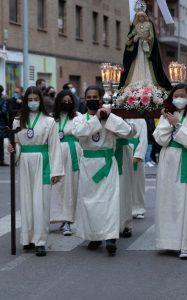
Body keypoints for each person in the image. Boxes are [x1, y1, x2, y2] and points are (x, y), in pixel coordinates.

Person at [72, 85, 135, 256]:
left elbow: (129, 132)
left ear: (100, 99)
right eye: (88, 96)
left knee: (109, 202)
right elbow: (79, 132)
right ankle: (94, 236)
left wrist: (109, 118)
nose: (92, 99)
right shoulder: (79, 119)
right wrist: (96, 119)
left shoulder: (110, 118)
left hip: (107, 165)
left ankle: (110, 238)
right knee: (90, 202)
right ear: (85, 100)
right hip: (88, 164)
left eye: (95, 96)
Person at [8, 87, 64, 257]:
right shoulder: (18, 121)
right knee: (26, 202)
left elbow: (54, 146)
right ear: (25, 101)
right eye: (30, 99)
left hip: (43, 161)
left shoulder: (49, 121)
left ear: (40, 100)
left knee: (41, 203)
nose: (33, 102)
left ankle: (40, 241)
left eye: (36, 99)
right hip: (24, 162)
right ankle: (28, 239)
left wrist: (56, 171)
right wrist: (12, 148)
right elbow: (16, 142)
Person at [153, 84, 187, 259]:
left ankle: (183, 245)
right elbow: (160, 139)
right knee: (166, 200)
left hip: (186, 160)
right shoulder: (166, 115)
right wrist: (168, 121)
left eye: (183, 95)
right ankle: (167, 242)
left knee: (184, 201)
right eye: (176, 95)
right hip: (168, 160)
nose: (179, 98)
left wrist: (178, 124)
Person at [49, 90, 83, 236]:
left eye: (70, 101)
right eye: (64, 101)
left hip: (72, 154)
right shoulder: (51, 119)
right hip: (55, 154)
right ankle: (56, 216)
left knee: (70, 186)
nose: (67, 104)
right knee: (57, 186)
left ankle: (68, 220)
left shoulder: (78, 117)